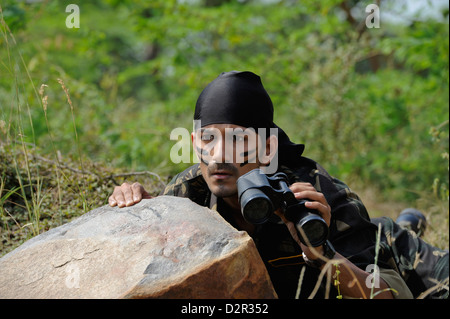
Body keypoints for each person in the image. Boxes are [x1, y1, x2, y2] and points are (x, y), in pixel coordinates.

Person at [109, 71, 448, 299]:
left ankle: (405, 225)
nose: (218, 156)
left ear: (268, 149)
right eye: (208, 140)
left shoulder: (318, 193)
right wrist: (142, 215)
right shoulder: (189, 193)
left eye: (238, 139)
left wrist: (322, 254)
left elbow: (386, 294)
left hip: (384, 249)